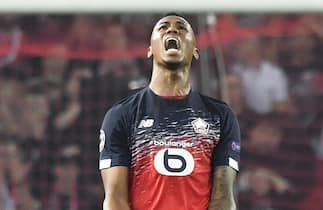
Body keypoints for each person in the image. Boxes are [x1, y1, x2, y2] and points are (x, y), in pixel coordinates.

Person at [99, 13, 241, 210]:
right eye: (163, 27)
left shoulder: (220, 117)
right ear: (150, 50)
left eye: (181, 28)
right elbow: (115, 199)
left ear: (195, 50)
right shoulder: (121, 115)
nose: (172, 30)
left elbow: (223, 197)